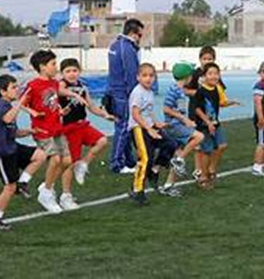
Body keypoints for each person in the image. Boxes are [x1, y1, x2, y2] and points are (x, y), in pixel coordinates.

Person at [23, 50, 87, 213]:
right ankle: (46, 193)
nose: (56, 67)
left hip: (56, 128)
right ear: (43, 67)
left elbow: (56, 96)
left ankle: (46, 185)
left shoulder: (53, 83)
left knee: (67, 160)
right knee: (56, 159)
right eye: (53, 64)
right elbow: (21, 102)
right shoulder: (33, 85)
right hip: (43, 130)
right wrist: (32, 112)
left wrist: (61, 109)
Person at [0, 74, 47, 230]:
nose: (17, 90)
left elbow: (13, 131)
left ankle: (23, 182)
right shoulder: (1, 105)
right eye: (13, 87)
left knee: (40, 155)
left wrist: (30, 131)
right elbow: (7, 119)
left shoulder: (8, 106)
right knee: (9, 187)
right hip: (3, 152)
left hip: (12, 147)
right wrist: (21, 103)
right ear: (2, 91)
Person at [58, 58, 115, 208]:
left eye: (74, 70)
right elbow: (59, 90)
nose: (71, 74)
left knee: (102, 141)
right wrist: (75, 95)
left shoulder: (82, 87)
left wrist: (105, 115)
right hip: (69, 129)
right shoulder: (62, 85)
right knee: (69, 162)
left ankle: (83, 164)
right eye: (68, 71)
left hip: (82, 125)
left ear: (79, 71)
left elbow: (91, 106)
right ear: (62, 73)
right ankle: (65, 196)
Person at [184, 46, 239, 180]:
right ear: (200, 59)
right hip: (196, 113)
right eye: (205, 59)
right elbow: (185, 89)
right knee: (199, 145)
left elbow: (220, 95)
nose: (207, 61)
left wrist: (229, 102)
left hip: (212, 116)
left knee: (214, 145)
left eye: (210, 59)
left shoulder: (214, 75)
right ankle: (199, 171)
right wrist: (199, 94)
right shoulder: (196, 74)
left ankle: (208, 168)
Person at [128, 63, 178, 206]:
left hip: (149, 126)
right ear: (138, 77)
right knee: (145, 159)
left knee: (170, 144)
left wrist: (156, 123)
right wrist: (148, 129)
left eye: (151, 75)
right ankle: (137, 190)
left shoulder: (149, 92)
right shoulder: (137, 93)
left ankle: (154, 170)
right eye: (144, 75)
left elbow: (148, 111)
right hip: (139, 128)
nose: (148, 79)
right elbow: (136, 114)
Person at [107, 18, 144, 174]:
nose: (140, 38)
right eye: (140, 35)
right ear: (133, 33)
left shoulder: (115, 45)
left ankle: (128, 160)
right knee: (123, 128)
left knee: (125, 127)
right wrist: (135, 96)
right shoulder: (127, 48)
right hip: (124, 93)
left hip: (115, 91)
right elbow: (131, 74)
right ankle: (116, 163)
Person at [163, 62, 205, 188]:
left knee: (181, 152)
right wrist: (184, 119)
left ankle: (169, 185)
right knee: (199, 137)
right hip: (174, 126)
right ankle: (179, 160)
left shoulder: (180, 90)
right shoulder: (174, 90)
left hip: (179, 124)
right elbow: (166, 109)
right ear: (188, 77)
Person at [194, 63, 228, 189]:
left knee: (222, 145)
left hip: (215, 123)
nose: (214, 76)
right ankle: (203, 176)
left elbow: (218, 104)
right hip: (204, 126)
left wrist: (230, 103)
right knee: (206, 151)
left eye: (216, 73)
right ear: (204, 76)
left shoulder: (216, 89)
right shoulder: (201, 91)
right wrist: (207, 123)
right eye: (210, 73)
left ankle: (211, 169)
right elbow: (197, 109)